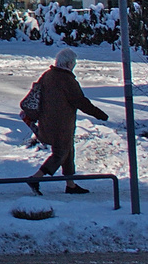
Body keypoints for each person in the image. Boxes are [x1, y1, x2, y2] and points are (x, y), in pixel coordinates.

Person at [28, 48, 109, 194]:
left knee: (68, 151)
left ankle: (70, 184)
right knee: (61, 153)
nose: (75, 65)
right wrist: (99, 114)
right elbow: (80, 101)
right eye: (74, 62)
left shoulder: (48, 75)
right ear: (69, 63)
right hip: (61, 124)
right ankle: (36, 178)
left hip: (47, 121)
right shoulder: (67, 80)